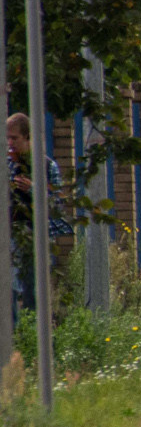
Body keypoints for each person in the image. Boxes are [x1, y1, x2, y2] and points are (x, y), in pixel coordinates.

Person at [8, 113, 71, 324]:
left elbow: (56, 205)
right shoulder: (6, 165)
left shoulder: (45, 166)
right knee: (8, 287)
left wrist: (34, 189)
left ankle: (32, 336)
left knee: (31, 289)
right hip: (9, 232)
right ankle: (14, 336)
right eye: (7, 138)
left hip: (33, 235)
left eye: (14, 138)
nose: (10, 143)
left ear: (27, 138)